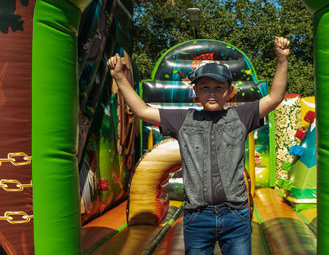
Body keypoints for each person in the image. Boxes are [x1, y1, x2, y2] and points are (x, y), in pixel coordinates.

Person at [107, 36, 290, 255]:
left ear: (229, 91)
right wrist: (119, 77)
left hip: (235, 214)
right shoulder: (184, 120)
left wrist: (282, 60)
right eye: (205, 87)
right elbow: (143, 111)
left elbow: (275, 97)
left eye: (218, 87)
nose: (212, 93)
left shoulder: (240, 116)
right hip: (197, 216)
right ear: (196, 91)